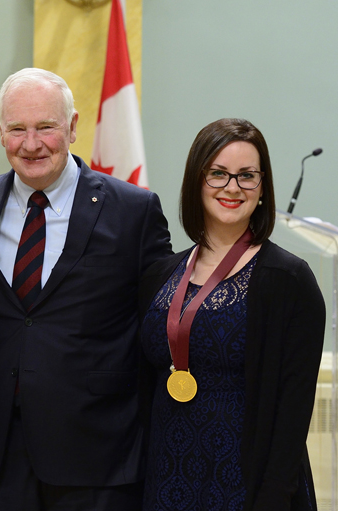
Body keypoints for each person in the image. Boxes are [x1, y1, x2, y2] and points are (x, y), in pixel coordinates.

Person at [0, 67, 172, 511]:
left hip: (99, 452)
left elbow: (158, 331)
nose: (31, 145)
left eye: (46, 127)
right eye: (17, 129)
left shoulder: (134, 211)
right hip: (1, 456)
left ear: (72, 127)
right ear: (0, 131)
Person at [138, 118, 325, 510]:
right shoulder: (160, 273)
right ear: (196, 181)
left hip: (247, 481)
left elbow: (292, 415)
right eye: (218, 174)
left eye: (247, 176)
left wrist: (272, 498)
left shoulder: (288, 280)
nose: (232, 188)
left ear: (262, 188)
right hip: (164, 472)